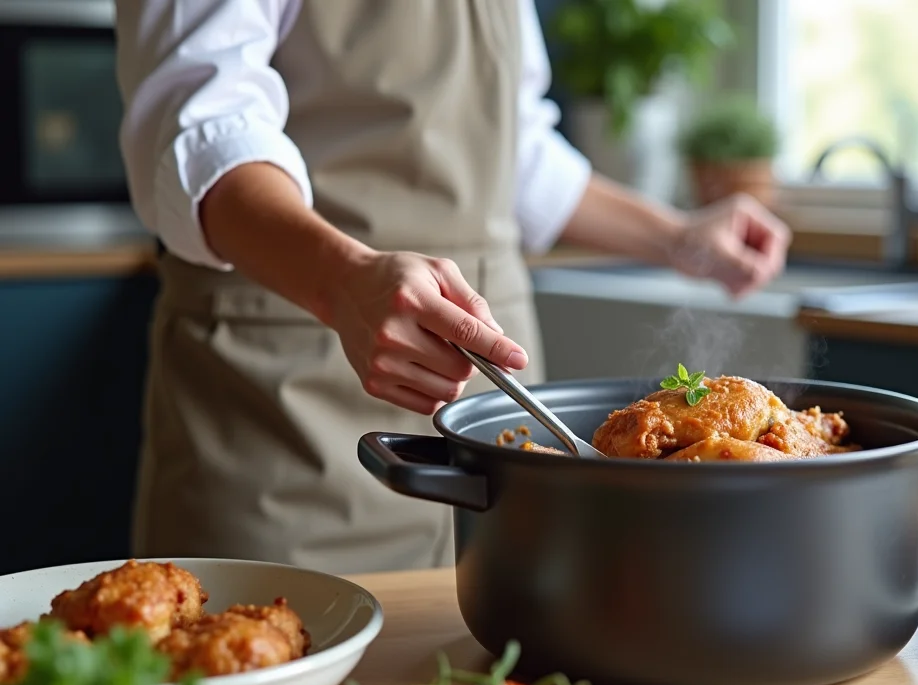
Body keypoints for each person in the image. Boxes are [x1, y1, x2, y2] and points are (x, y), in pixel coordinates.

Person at [113, 0, 792, 574]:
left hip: (501, 426)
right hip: (288, 401)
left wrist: (677, 236)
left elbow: (511, 148)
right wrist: (342, 282)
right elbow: (198, 125)